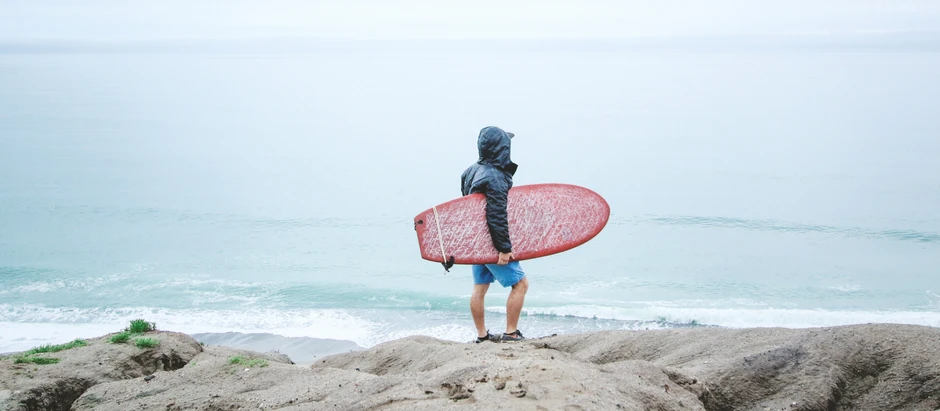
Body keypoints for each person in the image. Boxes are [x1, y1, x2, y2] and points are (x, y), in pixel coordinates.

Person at [460, 126, 529, 343]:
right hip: (492, 242)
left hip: (477, 242)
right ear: (502, 148)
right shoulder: (496, 177)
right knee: (520, 284)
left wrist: (476, 244)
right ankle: (511, 332)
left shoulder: (470, 171)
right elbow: (496, 213)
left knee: (479, 288)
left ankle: (482, 336)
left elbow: (470, 210)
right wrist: (504, 248)